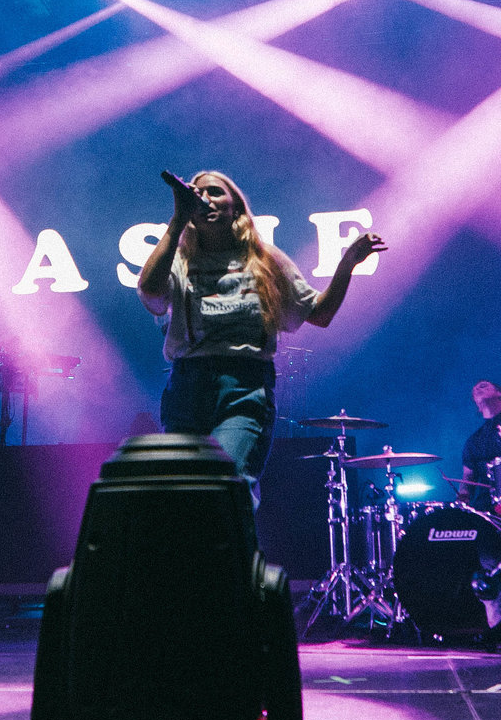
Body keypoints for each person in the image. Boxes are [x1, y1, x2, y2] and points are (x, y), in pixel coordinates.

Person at [137, 169, 384, 502]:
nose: (205, 199)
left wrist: (348, 264)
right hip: (187, 386)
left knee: (228, 481)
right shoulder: (178, 260)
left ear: (235, 206)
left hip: (244, 386)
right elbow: (151, 293)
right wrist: (178, 218)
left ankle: (236, 552)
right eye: (197, 195)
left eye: (214, 192)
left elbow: (320, 313)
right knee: (185, 491)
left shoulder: (265, 260)